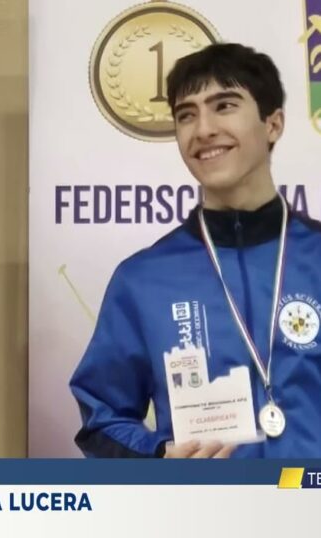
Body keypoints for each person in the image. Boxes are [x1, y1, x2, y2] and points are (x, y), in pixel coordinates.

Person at [70, 43, 321, 458]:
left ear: (273, 124)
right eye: (186, 115)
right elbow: (102, 419)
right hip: (205, 501)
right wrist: (157, 456)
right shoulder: (143, 279)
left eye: (224, 106)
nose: (203, 129)